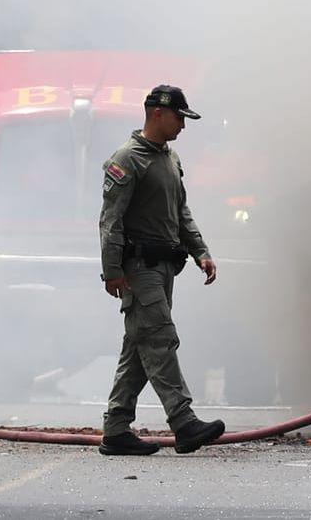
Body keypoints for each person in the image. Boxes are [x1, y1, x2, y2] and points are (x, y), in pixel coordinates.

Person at [98, 85, 224, 456]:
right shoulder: (127, 159)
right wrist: (112, 271)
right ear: (157, 113)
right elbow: (110, 220)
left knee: (139, 348)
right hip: (139, 269)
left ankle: (117, 429)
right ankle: (183, 421)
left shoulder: (170, 159)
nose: (183, 125)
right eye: (179, 117)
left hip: (166, 266)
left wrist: (200, 250)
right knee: (159, 339)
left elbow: (180, 212)